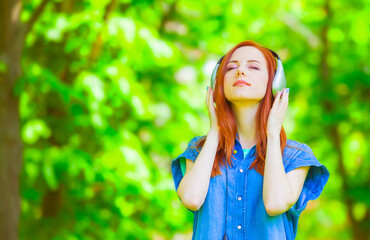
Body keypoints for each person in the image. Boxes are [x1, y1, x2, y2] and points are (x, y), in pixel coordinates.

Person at [171, 40, 330, 240]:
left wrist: (272, 134)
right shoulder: (200, 149)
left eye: (253, 66)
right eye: (231, 68)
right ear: (217, 84)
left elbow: (275, 204)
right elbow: (191, 199)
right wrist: (215, 132)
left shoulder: (295, 155)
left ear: (275, 83)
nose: (240, 72)